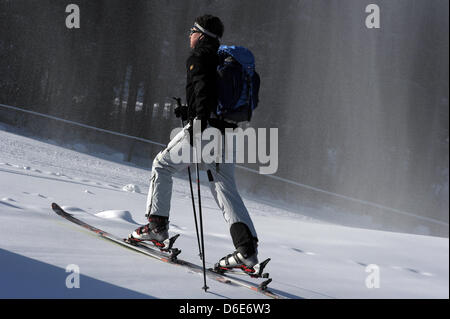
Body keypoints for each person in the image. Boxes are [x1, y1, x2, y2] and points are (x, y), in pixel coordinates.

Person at [128, 14, 259, 269]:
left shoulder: (200, 58)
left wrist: (196, 125)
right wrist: (190, 111)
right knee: (224, 188)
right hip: (228, 133)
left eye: (192, 30)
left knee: (162, 165)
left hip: (205, 130)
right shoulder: (223, 60)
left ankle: (156, 227)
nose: (189, 34)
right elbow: (209, 96)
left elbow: (204, 94)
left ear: (201, 34)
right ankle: (246, 251)